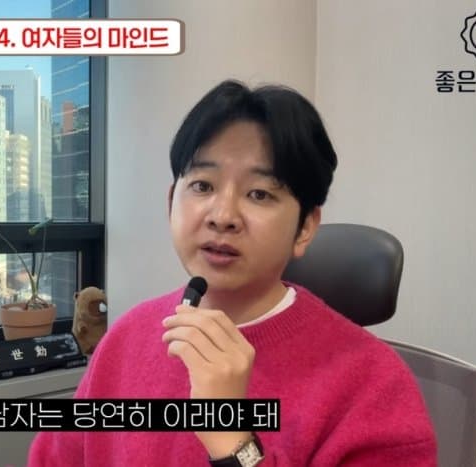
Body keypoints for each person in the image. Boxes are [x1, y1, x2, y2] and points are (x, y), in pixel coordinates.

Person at [27, 80, 437, 466]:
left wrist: (232, 439)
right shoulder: (127, 337)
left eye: (259, 194)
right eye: (203, 186)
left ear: (305, 227)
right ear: (171, 202)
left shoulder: (373, 385)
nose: (222, 216)